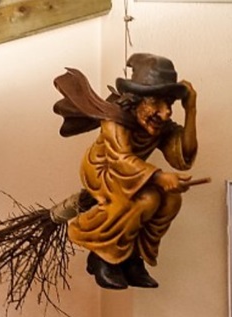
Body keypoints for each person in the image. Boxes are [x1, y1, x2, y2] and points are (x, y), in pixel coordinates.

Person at [53, 53, 198, 289]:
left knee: (172, 199)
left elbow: (184, 156)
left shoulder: (158, 125)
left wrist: (191, 110)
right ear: (137, 99)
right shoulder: (115, 119)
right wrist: (159, 177)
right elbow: (120, 159)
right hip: (103, 170)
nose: (166, 113)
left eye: (169, 104)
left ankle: (132, 257)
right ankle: (102, 257)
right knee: (148, 200)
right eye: (157, 102)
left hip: (135, 175)